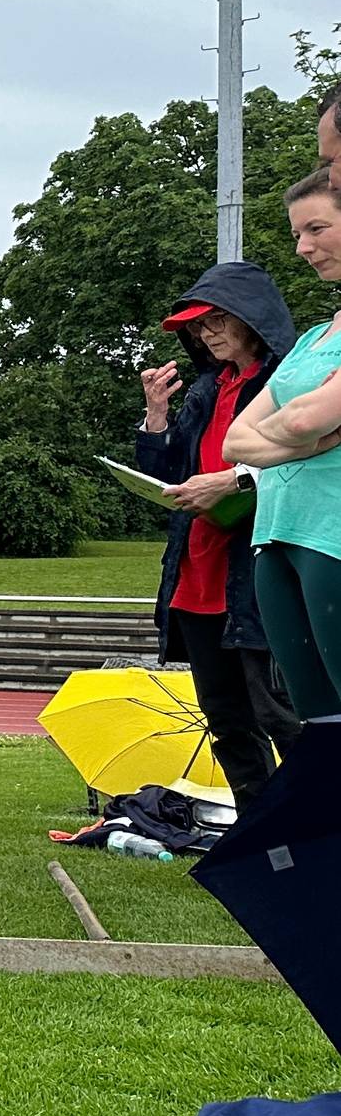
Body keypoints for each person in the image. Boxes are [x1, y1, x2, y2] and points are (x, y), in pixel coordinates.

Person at [138, 262, 302, 803]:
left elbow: (306, 462)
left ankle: (316, 835)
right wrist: (156, 417)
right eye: (197, 325)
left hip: (259, 577)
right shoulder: (207, 390)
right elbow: (170, 479)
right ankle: (260, 843)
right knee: (228, 722)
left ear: (252, 320)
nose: (204, 333)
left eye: (216, 320)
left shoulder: (289, 381)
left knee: (283, 717)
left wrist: (232, 484)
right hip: (197, 580)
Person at [225, 167, 341, 721]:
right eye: (297, 234)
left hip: (333, 535)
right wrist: (313, 441)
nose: (303, 247)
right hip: (276, 531)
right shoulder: (316, 338)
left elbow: (295, 421)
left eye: (316, 228)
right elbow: (234, 442)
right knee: (313, 714)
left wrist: (294, 427)